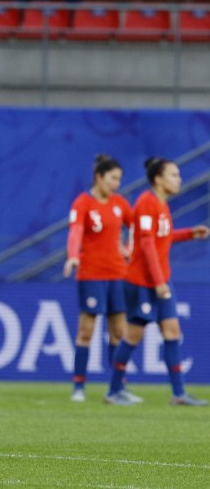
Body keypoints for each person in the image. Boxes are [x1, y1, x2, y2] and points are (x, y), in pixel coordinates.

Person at [104, 157, 210, 406]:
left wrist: (189, 234)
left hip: (162, 279)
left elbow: (162, 237)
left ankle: (179, 394)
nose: (179, 179)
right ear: (158, 179)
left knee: (172, 331)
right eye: (173, 175)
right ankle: (114, 390)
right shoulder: (145, 203)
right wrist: (159, 280)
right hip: (143, 281)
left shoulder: (162, 205)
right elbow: (147, 243)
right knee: (133, 336)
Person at [63, 155, 135, 403]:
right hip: (91, 274)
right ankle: (79, 387)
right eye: (113, 178)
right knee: (86, 331)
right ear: (99, 177)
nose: (116, 184)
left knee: (118, 332)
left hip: (118, 273)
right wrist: (73, 256)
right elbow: (75, 231)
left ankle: (117, 388)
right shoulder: (83, 203)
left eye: (119, 179)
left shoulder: (120, 203)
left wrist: (130, 248)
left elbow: (137, 227)